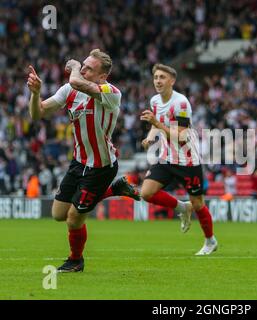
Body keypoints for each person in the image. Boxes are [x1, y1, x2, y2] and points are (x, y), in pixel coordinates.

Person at [27, 49, 140, 272]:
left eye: (89, 68)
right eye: (83, 65)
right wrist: (35, 93)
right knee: (58, 214)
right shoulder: (69, 89)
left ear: (102, 76)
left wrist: (76, 68)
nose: (84, 69)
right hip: (79, 162)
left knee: (73, 219)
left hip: (100, 167)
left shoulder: (111, 92)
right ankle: (115, 189)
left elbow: (79, 83)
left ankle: (75, 260)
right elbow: (37, 114)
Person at [140, 63, 218, 255]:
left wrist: (155, 123)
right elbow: (157, 125)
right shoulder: (155, 101)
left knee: (198, 203)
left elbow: (181, 135)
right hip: (167, 157)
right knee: (146, 193)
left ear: (172, 81)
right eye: (156, 77)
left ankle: (210, 241)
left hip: (187, 160)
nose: (158, 81)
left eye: (162, 77)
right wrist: (150, 136)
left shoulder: (180, 103)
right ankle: (182, 207)